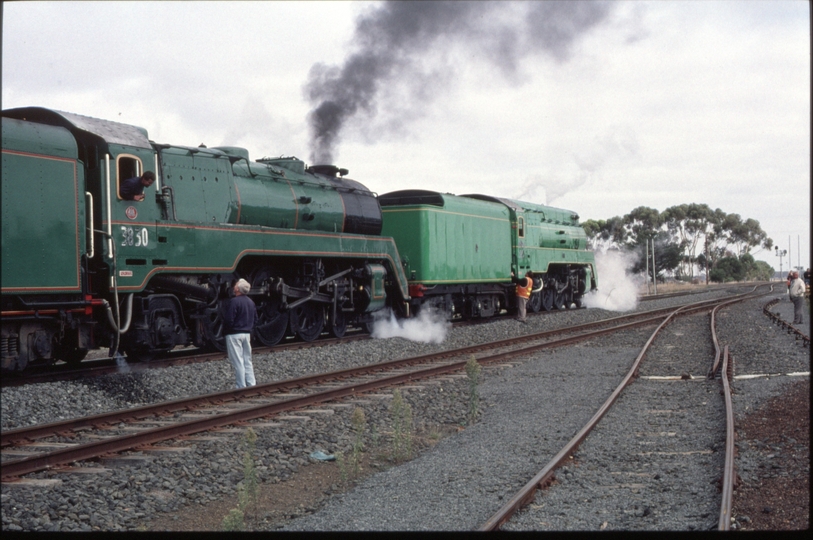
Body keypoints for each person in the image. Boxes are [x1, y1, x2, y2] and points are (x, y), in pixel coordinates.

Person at [223, 278, 257, 389]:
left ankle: (241, 386)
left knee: (238, 362)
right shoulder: (251, 302)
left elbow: (229, 319)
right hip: (247, 333)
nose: (234, 286)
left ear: (237, 289)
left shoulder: (234, 301)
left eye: (235, 285)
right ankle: (252, 384)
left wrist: (227, 330)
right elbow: (255, 319)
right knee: (247, 360)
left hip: (234, 334)